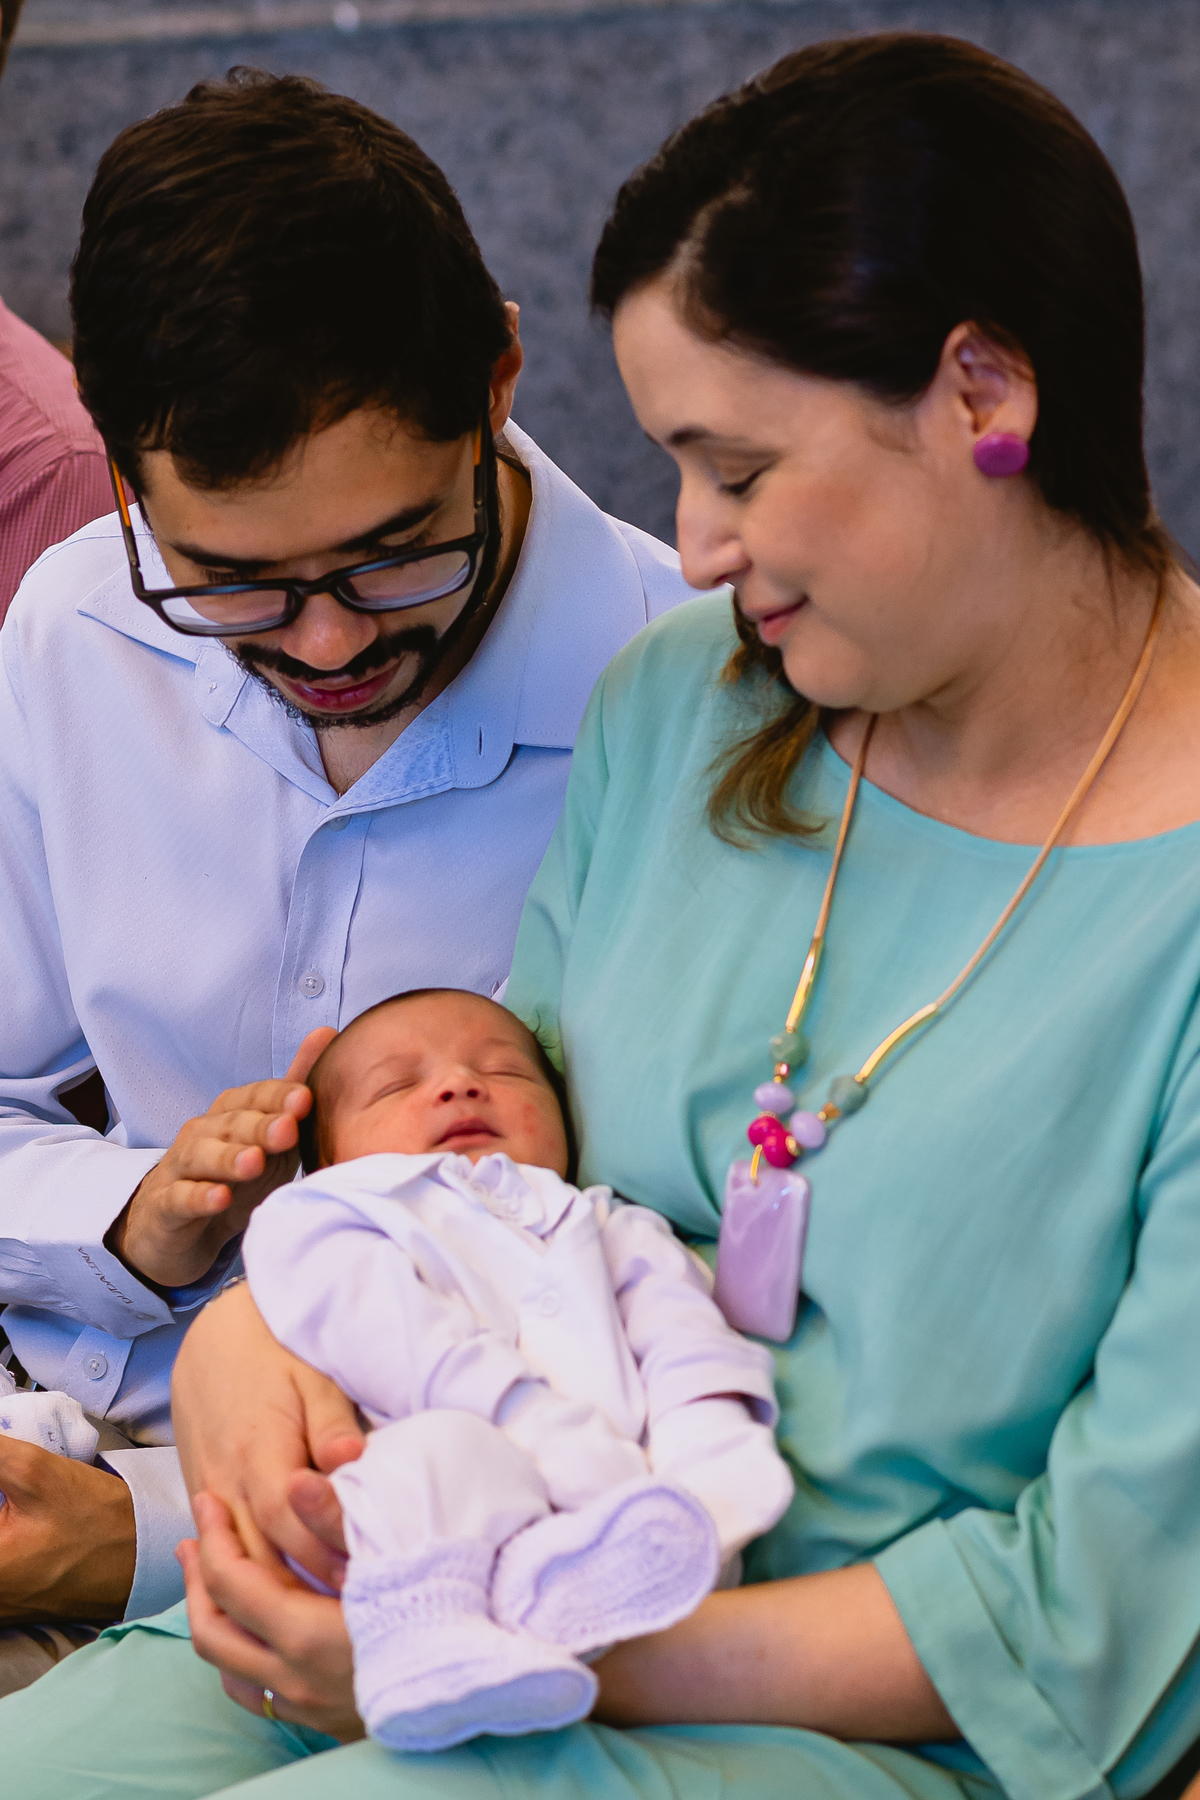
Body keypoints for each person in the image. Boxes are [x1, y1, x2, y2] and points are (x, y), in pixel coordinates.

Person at [7, 26, 1200, 1799]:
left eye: (736, 466)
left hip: (853, 1703)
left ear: (984, 397)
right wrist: (252, 1342)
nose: (692, 540)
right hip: (482, 1540)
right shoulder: (691, 704)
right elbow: (477, 1181)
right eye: (677, 468)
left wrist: (556, 1639)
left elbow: (1089, 1609)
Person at [0, 68, 693, 1686]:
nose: (324, 644)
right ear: (116, 467)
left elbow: (658, 1326)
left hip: (448, 1553)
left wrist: (140, 1533)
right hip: (69, 1411)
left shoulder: (679, 707)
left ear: (502, 376)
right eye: (233, 585)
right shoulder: (76, 624)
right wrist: (137, 1220)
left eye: (394, 556)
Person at [242, 987, 790, 1750]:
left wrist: (705, 1427)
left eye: (506, 1073)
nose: (461, 1085)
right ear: (330, 1156)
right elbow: (402, 1342)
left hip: (629, 1492)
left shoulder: (605, 1221)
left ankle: (605, 1590)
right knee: (439, 1456)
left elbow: (679, 1324)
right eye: (399, 1085)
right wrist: (525, 1418)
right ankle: (434, 1649)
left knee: (683, 1485)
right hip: (426, 1491)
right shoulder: (322, 1218)